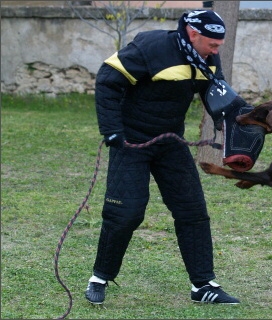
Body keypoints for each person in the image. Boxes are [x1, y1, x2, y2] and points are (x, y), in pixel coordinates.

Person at [85, 9, 241, 305]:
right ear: (194, 34)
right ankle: (100, 277)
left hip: (171, 142)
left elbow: (214, 92)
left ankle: (203, 286)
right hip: (131, 141)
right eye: (213, 44)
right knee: (126, 212)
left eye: (219, 46)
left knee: (192, 210)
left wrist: (235, 123)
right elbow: (108, 79)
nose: (217, 50)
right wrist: (112, 130)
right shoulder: (152, 47)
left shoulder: (206, 56)